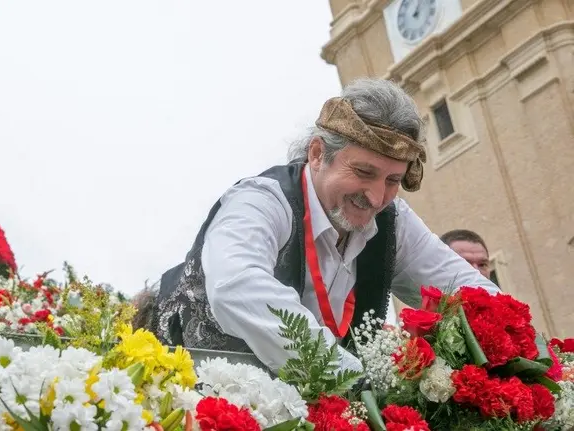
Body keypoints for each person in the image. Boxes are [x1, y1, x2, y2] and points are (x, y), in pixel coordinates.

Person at [141, 78, 500, 374]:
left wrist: (541, 361)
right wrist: (347, 374)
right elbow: (237, 286)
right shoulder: (261, 201)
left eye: (392, 180)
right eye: (363, 172)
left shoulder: (394, 222)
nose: (376, 197)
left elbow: (468, 290)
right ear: (317, 154)